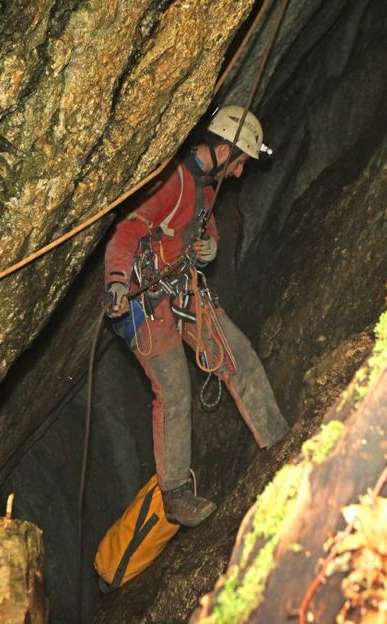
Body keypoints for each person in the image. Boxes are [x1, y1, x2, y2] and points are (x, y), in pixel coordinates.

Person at [104, 105, 290, 527]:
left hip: (184, 293)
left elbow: (204, 233)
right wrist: (117, 281)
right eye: (240, 162)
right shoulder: (171, 182)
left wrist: (211, 249)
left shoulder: (205, 192)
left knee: (237, 355)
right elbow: (126, 234)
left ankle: (279, 442)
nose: (240, 174)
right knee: (173, 389)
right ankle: (174, 495)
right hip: (145, 306)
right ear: (225, 150)